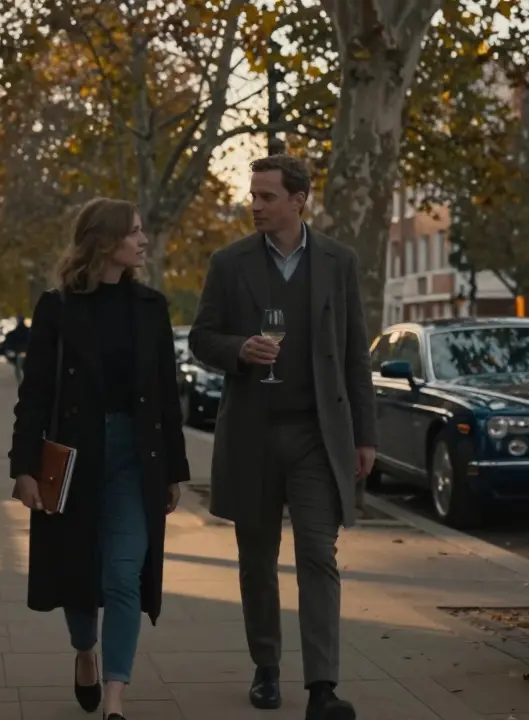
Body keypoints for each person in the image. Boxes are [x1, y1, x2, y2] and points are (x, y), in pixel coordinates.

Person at [189, 155, 377, 720]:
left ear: (298, 200)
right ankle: (266, 667)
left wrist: (364, 436)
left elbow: (353, 353)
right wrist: (239, 350)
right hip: (253, 434)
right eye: (253, 195)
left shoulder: (339, 262)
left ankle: (322, 686)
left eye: (267, 196)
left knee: (319, 555)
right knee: (256, 559)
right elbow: (202, 337)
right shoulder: (229, 263)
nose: (256, 205)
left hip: (318, 437)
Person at [8, 197, 190, 720]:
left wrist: (174, 471)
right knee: (78, 571)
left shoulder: (152, 308)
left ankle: (115, 697)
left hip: (137, 458)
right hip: (75, 458)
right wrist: (24, 469)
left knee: (124, 574)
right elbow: (35, 394)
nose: (143, 240)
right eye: (134, 232)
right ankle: (85, 651)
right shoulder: (58, 307)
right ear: (106, 242)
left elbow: (165, 395)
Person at [4, 314, 32, 381]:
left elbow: (10, 339)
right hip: (25, 351)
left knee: (18, 368)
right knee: (24, 367)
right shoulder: (28, 331)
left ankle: (21, 380)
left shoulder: (18, 331)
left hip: (19, 351)